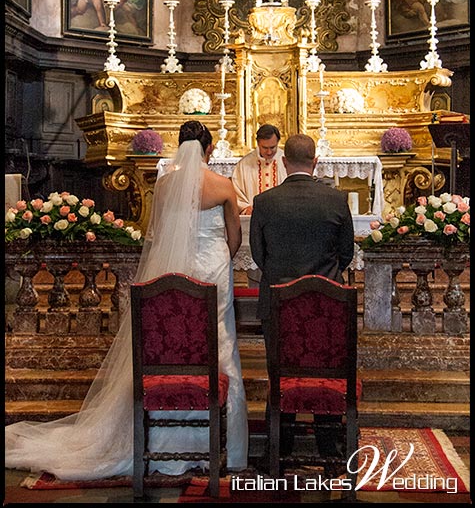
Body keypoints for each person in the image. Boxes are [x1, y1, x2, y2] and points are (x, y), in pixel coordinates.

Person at [5, 121, 249, 480]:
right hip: (213, 269)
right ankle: (220, 445)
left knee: (166, 340)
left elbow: (159, 233)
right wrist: (218, 259)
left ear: (178, 146)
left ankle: (159, 432)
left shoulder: (164, 186)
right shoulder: (223, 185)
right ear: (209, 149)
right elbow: (234, 235)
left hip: (170, 266)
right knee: (218, 344)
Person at [250, 133, 355, 459]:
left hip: (278, 305)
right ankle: (330, 448)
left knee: (280, 371)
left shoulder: (265, 202)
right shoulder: (336, 200)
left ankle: (279, 448)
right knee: (325, 372)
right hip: (327, 307)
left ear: (283, 162)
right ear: (315, 162)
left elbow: (258, 255)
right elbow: (347, 253)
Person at [232, 124, 287, 215]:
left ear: (278, 142)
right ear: (258, 143)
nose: (269, 152)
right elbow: (236, 191)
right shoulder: (244, 164)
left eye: (272, 147)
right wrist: (245, 208)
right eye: (265, 148)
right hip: (254, 218)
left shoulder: (286, 161)